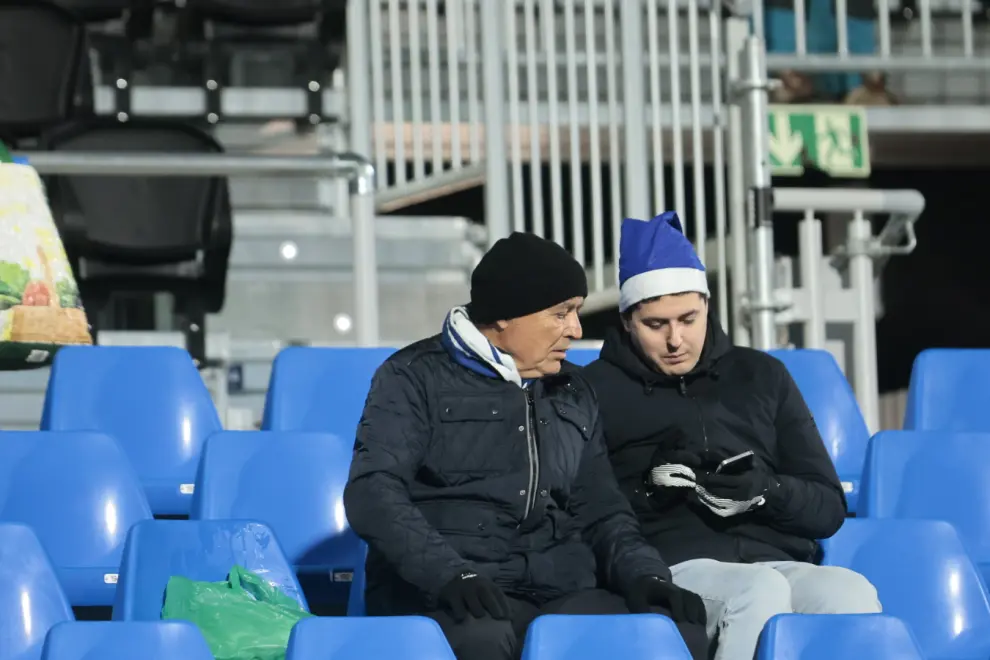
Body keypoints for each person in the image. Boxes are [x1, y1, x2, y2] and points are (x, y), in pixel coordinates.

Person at [344, 232, 710, 660]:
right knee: (482, 637)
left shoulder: (573, 389)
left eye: (576, 312)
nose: (575, 329)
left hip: (558, 587)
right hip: (450, 592)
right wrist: (449, 575)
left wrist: (648, 578)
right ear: (504, 316)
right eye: (561, 314)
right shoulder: (412, 377)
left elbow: (602, 512)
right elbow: (373, 492)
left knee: (668, 630)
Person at [582, 212, 882, 660]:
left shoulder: (762, 375)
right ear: (627, 321)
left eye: (688, 318)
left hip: (774, 560)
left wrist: (766, 490)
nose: (675, 339)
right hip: (670, 563)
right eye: (656, 324)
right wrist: (651, 488)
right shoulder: (594, 389)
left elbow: (828, 510)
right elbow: (585, 507)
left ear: (707, 304)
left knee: (850, 591)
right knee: (757, 592)